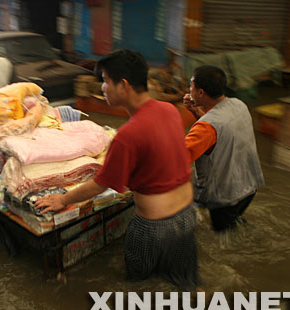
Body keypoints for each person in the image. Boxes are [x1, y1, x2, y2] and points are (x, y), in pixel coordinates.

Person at [35, 50, 198, 291]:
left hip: (154, 228)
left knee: (137, 288)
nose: (102, 87)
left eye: (105, 81)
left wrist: (63, 199)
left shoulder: (128, 135)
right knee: (187, 285)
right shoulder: (169, 110)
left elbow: (99, 184)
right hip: (186, 216)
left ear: (123, 85)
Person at [183, 65, 264, 233]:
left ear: (200, 93)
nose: (189, 90)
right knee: (234, 224)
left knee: (223, 238)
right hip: (249, 186)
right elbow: (219, 132)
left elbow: (178, 157)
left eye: (191, 86)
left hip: (226, 197)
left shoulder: (205, 128)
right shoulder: (239, 105)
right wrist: (196, 110)